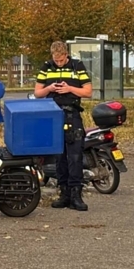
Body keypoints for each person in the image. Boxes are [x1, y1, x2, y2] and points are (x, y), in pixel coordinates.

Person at [34, 41, 93, 211]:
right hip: (53, 115)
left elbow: (88, 92)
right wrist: (49, 88)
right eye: (56, 60)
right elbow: (37, 92)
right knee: (59, 157)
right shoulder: (46, 67)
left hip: (71, 113)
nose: (58, 62)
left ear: (66, 55)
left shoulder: (77, 66)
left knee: (74, 156)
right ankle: (64, 193)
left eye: (61, 60)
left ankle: (76, 195)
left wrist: (69, 89)